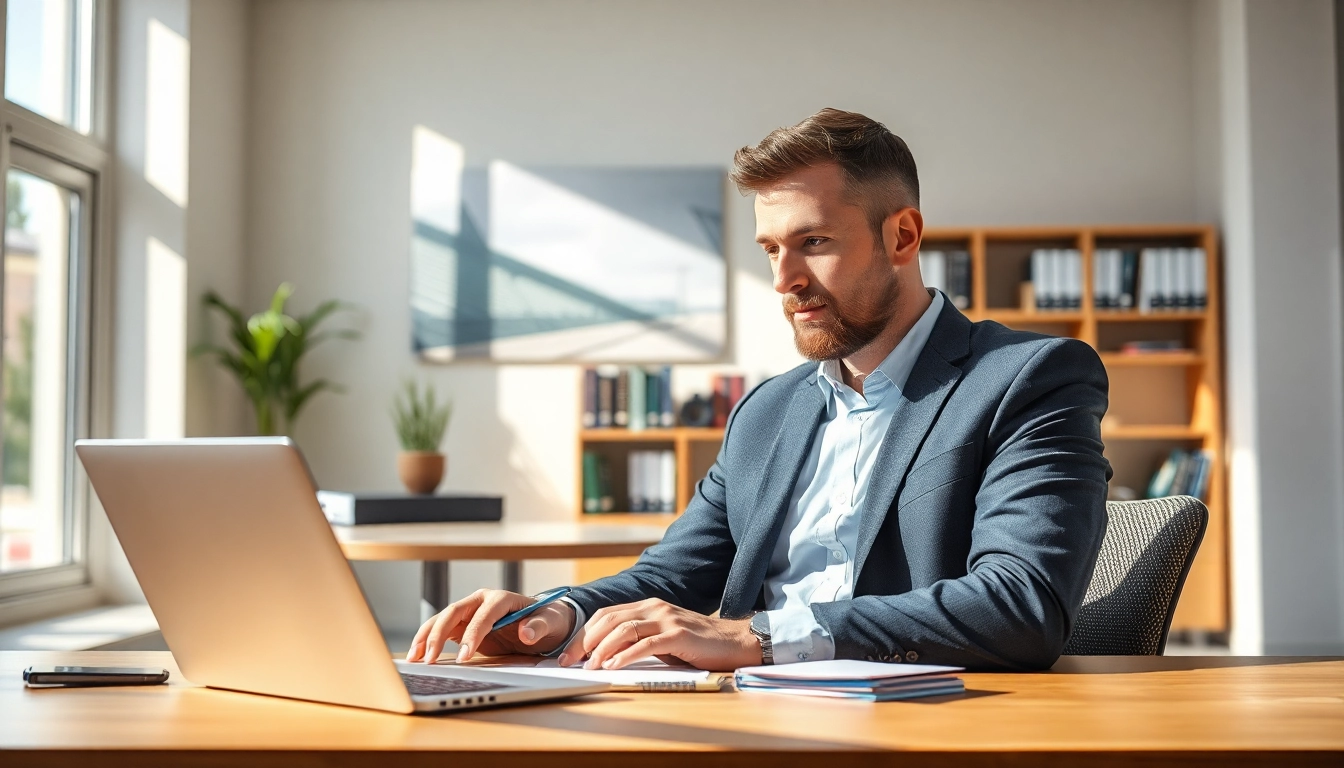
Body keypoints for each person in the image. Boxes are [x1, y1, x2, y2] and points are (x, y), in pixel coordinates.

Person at [406, 108, 1111, 672]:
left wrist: (763, 638)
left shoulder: (1028, 379)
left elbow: (1020, 606)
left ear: (902, 237)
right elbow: (676, 577)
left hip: (919, 735)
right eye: (771, 249)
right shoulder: (768, 410)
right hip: (743, 719)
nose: (783, 281)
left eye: (814, 244)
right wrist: (554, 614)